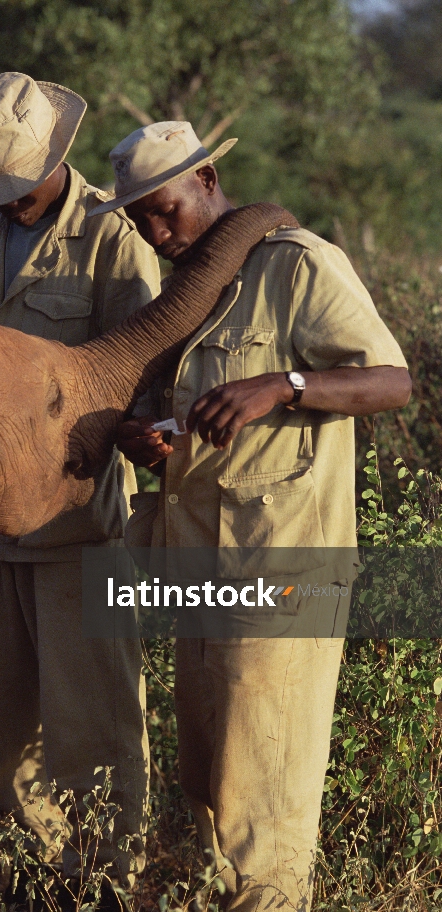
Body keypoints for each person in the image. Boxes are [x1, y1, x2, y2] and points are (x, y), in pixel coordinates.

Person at [91, 121, 412, 911]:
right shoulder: (190, 293)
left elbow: (391, 381)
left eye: (166, 211)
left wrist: (286, 385)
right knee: (206, 780)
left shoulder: (298, 266)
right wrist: (147, 439)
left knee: (262, 794)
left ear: (206, 181)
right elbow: (197, 424)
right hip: (197, 574)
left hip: (284, 573)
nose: (157, 234)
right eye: (141, 223)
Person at [0, 73, 161, 905]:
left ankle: (103, 887)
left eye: (17, 182)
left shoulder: (110, 235)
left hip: (83, 531)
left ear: (53, 160)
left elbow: (143, 368)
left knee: (94, 736)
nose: (7, 198)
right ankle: (32, 889)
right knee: (6, 746)